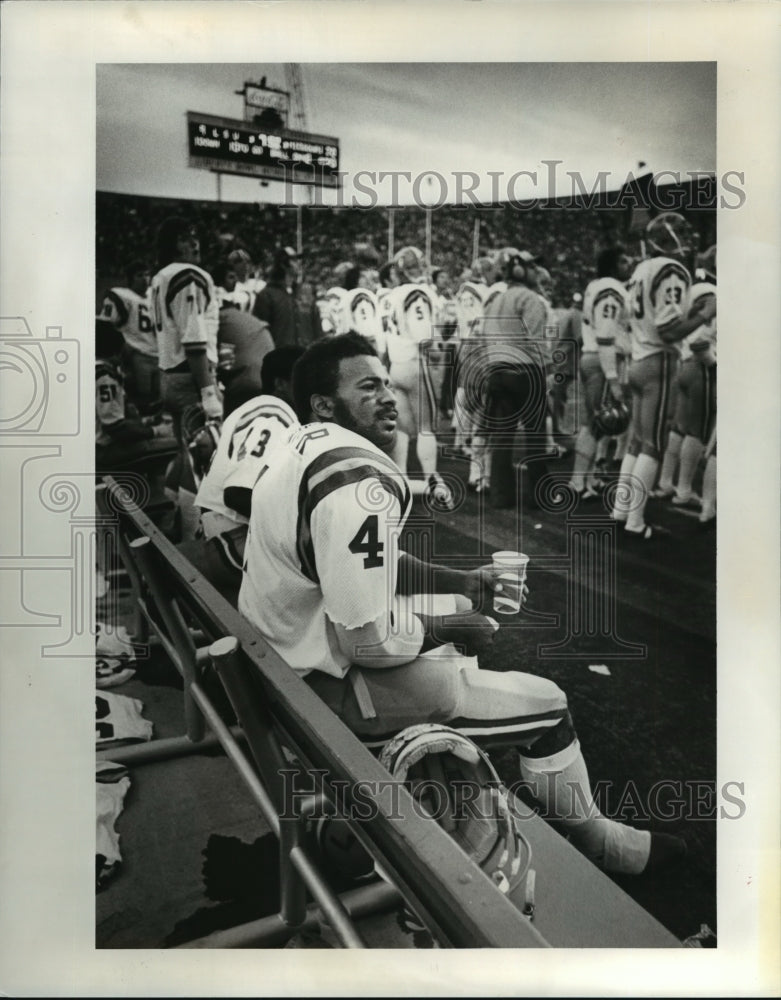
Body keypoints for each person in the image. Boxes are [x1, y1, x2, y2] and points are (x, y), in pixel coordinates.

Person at [238, 332, 685, 877]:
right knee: (548, 704)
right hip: (323, 699)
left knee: (450, 611)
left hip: (278, 670)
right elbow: (367, 642)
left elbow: (359, 564)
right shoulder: (357, 478)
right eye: (367, 387)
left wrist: (463, 584)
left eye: (385, 384)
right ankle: (603, 844)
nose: (387, 397)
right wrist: (452, 626)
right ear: (324, 405)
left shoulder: (298, 446)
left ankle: (457, 760)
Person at [610, 213, 716, 540]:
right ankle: (635, 521)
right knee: (653, 445)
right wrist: (703, 315)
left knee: (637, 442)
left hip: (639, 360)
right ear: (669, 238)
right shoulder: (671, 270)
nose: (688, 238)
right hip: (659, 360)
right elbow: (669, 330)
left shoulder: (641, 268)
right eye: (681, 233)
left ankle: (620, 509)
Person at [180, 348, 303, 596]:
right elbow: (237, 494)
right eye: (305, 378)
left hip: (224, 533)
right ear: (281, 383)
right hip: (232, 541)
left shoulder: (266, 409)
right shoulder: (274, 411)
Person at [149, 216, 221, 539]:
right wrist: (208, 391)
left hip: (170, 375)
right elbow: (193, 341)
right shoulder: (187, 276)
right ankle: (193, 543)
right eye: (185, 237)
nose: (195, 243)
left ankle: (174, 523)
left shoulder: (159, 278)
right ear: (171, 244)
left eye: (195, 236)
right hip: (190, 379)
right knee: (203, 461)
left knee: (184, 456)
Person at [478, 248, 551, 510]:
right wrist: (547, 371)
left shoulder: (496, 299)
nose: (537, 272)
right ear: (521, 270)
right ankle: (539, 496)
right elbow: (536, 340)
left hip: (497, 369)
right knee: (535, 436)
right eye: (532, 268)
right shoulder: (530, 298)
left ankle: (500, 495)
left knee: (502, 437)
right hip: (525, 371)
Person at [386, 245, 454, 511]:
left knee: (402, 427)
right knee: (426, 426)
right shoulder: (418, 293)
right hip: (416, 363)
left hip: (396, 364)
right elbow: (424, 335)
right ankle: (432, 480)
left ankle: (400, 478)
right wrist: (437, 352)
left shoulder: (392, 295)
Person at [566, 247, 633, 500]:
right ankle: (577, 481)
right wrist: (613, 377)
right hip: (603, 357)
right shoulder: (609, 290)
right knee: (595, 424)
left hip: (595, 356)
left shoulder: (598, 286)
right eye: (624, 260)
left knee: (597, 425)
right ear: (613, 264)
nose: (630, 264)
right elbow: (606, 335)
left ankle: (588, 478)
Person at [100, 261, 159, 413]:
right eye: (139, 275)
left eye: (147, 275)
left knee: (159, 398)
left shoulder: (155, 296)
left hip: (158, 353)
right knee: (141, 398)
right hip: (137, 352)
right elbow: (106, 326)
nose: (145, 279)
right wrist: (123, 348)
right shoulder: (122, 296)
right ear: (130, 278)